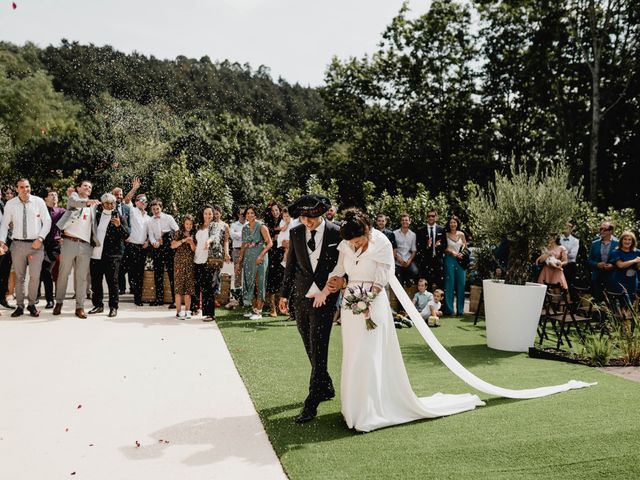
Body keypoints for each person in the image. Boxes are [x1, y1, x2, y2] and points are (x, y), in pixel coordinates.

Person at [311, 208, 484, 432]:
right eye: (350, 243)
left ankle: (370, 411)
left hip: (373, 304)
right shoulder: (348, 243)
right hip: (350, 304)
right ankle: (353, 409)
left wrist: (366, 303)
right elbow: (339, 269)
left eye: (356, 241)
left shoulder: (381, 243)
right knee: (354, 354)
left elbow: (381, 280)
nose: (353, 245)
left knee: (370, 354)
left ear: (366, 231)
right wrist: (326, 290)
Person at [278, 194, 341, 424]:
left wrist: (333, 286)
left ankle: (311, 401)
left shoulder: (337, 232)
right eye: (303, 218)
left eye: (311, 218)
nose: (307, 222)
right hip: (301, 298)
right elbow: (291, 265)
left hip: (326, 298)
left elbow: (341, 266)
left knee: (319, 345)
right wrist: (284, 294)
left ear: (321, 214)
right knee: (309, 344)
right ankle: (326, 386)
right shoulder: (295, 232)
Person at [0, 178, 51, 317]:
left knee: (35, 276)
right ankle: (20, 306)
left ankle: (32, 305)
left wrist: (40, 238)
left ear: (30, 187)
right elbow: (4, 224)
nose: (25, 189)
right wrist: (1, 241)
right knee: (19, 277)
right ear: (17, 189)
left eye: (27, 186)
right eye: (21, 187)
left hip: (36, 244)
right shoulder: (10, 204)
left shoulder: (38, 201)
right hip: (17, 245)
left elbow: (47, 221)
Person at [53, 180, 100, 318]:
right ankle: (59, 303)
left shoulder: (94, 207)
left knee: (82, 278)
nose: (88, 188)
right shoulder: (74, 197)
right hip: (69, 241)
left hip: (85, 245)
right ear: (78, 188)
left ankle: (80, 307)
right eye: (85, 185)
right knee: (63, 274)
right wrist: (87, 202)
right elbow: (75, 203)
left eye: (90, 187)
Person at [88, 193, 129, 317]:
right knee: (96, 282)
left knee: (112, 282)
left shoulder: (120, 217)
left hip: (112, 255)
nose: (110, 205)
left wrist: (119, 226)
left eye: (112, 203)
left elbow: (126, 234)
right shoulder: (97, 216)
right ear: (103, 204)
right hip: (95, 254)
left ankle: (113, 307)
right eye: (107, 203)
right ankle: (98, 305)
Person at [193, 205, 229, 322]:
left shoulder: (216, 225)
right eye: (205, 213)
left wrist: (208, 241)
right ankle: (195, 308)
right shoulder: (198, 226)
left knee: (208, 287)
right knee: (197, 285)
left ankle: (210, 314)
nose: (208, 216)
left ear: (213, 215)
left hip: (209, 260)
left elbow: (214, 236)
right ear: (202, 214)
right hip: (197, 259)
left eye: (210, 213)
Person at [239, 205, 272, 320]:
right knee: (249, 282)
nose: (250, 215)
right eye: (248, 213)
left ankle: (259, 311)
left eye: (252, 213)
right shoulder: (245, 228)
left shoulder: (261, 226)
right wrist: (240, 260)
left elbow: (269, 243)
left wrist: (261, 255)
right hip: (248, 257)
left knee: (259, 282)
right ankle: (252, 309)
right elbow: (243, 244)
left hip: (260, 257)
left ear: (255, 214)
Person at [122, 178, 150, 306]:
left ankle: (137, 298)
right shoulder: (133, 211)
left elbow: (152, 233)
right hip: (131, 246)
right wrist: (134, 188)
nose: (144, 203)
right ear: (137, 202)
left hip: (142, 248)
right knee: (124, 271)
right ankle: (118, 292)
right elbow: (126, 200)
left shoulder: (149, 217)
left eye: (145, 201)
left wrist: (148, 241)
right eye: (141, 200)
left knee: (139, 273)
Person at [147, 199, 179, 307]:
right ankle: (159, 299)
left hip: (169, 249)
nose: (155, 211)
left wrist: (167, 236)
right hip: (158, 249)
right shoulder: (150, 221)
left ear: (161, 208)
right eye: (153, 209)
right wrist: (154, 242)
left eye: (157, 208)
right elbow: (151, 235)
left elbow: (177, 230)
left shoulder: (168, 218)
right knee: (158, 274)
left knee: (171, 274)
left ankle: (175, 300)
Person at [39, 191, 65, 309]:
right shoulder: (40, 211)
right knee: (40, 271)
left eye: (56, 195)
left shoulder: (61, 211)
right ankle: (38, 297)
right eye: (51, 195)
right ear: (45, 199)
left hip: (54, 246)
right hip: (39, 244)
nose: (54, 196)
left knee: (47, 270)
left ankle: (51, 300)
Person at [171, 214, 196, 319]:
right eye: (187, 224)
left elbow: (195, 250)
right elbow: (172, 245)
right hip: (179, 263)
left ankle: (187, 311)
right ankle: (178, 311)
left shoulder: (194, 234)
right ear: (183, 224)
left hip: (190, 264)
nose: (188, 226)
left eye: (190, 224)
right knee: (178, 288)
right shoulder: (179, 233)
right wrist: (183, 241)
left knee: (188, 289)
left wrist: (191, 243)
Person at [415, 209, 446, 292]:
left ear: (436, 217)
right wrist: (427, 246)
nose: (431, 218)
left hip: (438, 261)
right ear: (426, 218)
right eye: (429, 216)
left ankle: (440, 304)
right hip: (426, 262)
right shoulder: (420, 230)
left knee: (440, 285)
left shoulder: (441, 229)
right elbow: (418, 247)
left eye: (433, 216)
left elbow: (445, 245)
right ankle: (427, 304)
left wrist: (438, 246)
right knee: (427, 286)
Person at [443, 215, 467, 316]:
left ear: (457, 223)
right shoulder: (445, 234)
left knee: (461, 284)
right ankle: (449, 310)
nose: (453, 224)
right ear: (449, 224)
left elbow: (465, 244)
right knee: (449, 284)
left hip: (460, 260)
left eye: (454, 222)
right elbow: (444, 248)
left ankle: (460, 311)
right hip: (449, 259)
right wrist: (452, 252)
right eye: (451, 222)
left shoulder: (461, 234)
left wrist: (463, 252)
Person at [588, 221, 618, 301]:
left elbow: (621, 259)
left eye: (605, 229)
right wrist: (597, 264)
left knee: (611, 300)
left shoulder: (617, 243)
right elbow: (589, 260)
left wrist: (613, 265)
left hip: (612, 276)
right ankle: (598, 313)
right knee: (598, 299)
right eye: (600, 229)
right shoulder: (595, 243)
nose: (602, 231)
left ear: (610, 231)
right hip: (597, 276)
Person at [265, 201, 285, 317]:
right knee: (271, 280)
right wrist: (274, 237)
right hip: (272, 253)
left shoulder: (285, 221)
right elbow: (267, 238)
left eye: (276, 210)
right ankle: (273, 309)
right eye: (272, 211)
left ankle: (281, 307)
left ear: (280, 210)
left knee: (281, 280)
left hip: (282, 253)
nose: (275, 212)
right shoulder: (268, 223)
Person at [608, 231, 640, 303]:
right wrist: (634, 260)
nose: (627, 241)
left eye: (629, 239)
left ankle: (629, 314)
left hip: (632, 281)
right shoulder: (616, 252)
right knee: (620, 302)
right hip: (619, 280)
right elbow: (620, 265)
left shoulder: (637, 252)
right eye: (625, 239)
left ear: (633, 241)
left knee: (631, 303)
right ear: (621, 240)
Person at [112, 186, 131, 294]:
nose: (119, 196)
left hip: (127, 240)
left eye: (120, 194)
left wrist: (128, 235)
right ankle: (121, 288)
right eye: (116, 194)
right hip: (115, 241)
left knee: (127, 265)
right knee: (118, 267)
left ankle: (132, 287)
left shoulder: (127, 208)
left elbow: (130, 224)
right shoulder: (109, 208)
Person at [393, 213, 418, 286]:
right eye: (403, 220)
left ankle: (407, 279)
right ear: (400, 222)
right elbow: (393, 249)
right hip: (397, 260)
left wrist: (409, 260)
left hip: (408, 260)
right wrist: (398, 259)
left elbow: (414, 250)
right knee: (398, 282)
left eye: (406, 220)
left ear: (409, 222)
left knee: (415, 271)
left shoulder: (413, 235)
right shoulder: (394, 233)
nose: (404, 222)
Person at [228, 207, 246, 307]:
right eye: (241, 214)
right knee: (237, 271)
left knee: (247, 272)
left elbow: (248, 236)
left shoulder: (249, 224)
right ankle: (237, 297)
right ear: (238, 214)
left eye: (244, 214)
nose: (243, 216)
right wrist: (243, 235)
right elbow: (232, 236)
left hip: (247, 250)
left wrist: (239, 234)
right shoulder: (234, 224)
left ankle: (246, 296)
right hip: (236, 249)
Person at [560, 222, 580, 296]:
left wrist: (562, 254)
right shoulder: (559, 239)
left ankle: (571, 303)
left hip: (570, 266)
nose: (565, 229)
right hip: (560, 265)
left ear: (571, 229)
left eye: (567, 227)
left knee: (569, 285)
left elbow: (573, 255)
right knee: (560, 285)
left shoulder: (575, 241)